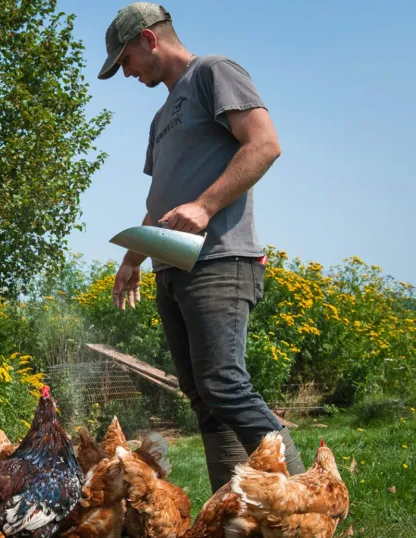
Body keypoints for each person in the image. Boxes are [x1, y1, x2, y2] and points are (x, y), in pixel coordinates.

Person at [97, 2, 306, 492]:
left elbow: (264, 144)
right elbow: (161, 199)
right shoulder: (160, 118)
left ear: (149, 40)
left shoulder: (214, 72)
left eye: (124, 60)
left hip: (220, 258)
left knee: (224, 385)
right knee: (202, 396)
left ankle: (310, 501)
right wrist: (133, 258)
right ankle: (231, 507)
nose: (125, 73)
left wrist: (207, 206)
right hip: (174, 265)